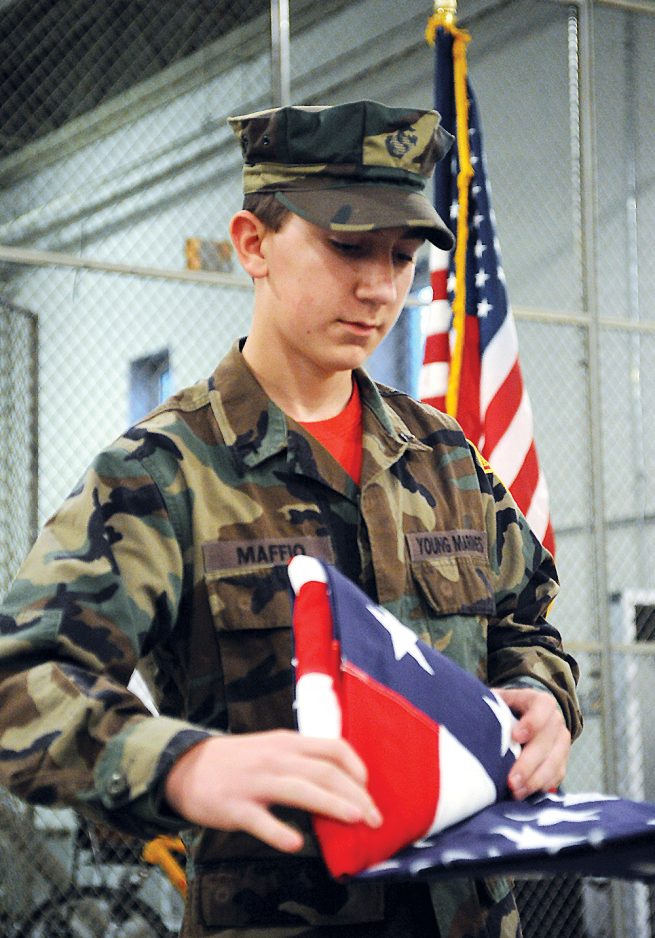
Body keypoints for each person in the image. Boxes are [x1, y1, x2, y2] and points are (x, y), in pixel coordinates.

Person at [0, 100, 581, 937]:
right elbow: (24, 680)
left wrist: (543, 696)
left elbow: (525, 622)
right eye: (348, 246)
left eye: (402, 255)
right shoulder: (163, 473)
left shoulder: (444, 457)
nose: (380, 286)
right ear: (252, 243)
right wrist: (181, 764)